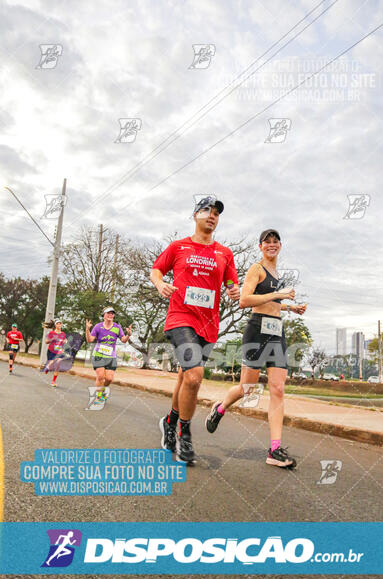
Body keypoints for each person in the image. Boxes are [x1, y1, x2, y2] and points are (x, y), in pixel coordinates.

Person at [205, 229, 307, 468]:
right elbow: (244, 300)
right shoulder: (256, 269)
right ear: (261, 246)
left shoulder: (277, 274)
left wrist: (291, 308)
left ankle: (274, 450)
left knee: (278, 389)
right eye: (266, 242)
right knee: (247, 389)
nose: (271, 245)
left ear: (280, 245)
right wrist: (278, 293)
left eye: (275, 241)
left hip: (277, 332)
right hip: (257, 330)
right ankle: (220, 408)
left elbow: (272, 304)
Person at [151, 196, 240, 464]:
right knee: (194, 377)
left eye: (216, 213)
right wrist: (159, 284)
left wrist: (234, 290)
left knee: (184, 377)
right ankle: (184, 434)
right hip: (180, 317)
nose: (211, 216)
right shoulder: (178, 247)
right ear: (195, 216)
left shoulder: (225, 253)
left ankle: (169, 421)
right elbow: (156, 270)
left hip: (209, 325)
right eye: (206, 211)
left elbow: (231, 284)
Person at [85, 307, 132, 408]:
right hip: (98, 355)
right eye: (108, 313)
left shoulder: (117, 327)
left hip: (111, 356)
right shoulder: (98, 327)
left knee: (109, 379)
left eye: (112, 314)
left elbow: (123, 340)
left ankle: (102, 391)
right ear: (104, 315)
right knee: (101, 376)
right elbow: (89, 340)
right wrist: (87, 329)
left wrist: (128, 335)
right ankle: (98, 396)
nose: (110, 315)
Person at [44, 318, 67, 387]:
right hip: (51, 351)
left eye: (60, 323)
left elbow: (64, 341)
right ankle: (47, 368)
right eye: (58, 323)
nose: (59, 325)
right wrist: (52, 339)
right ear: (55, 325)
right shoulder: (51, 333)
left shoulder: (63, 334)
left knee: (58, 364)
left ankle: (53, 381)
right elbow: (46, 341)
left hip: (59, 352)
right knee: (50, 366)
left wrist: (65, 342)